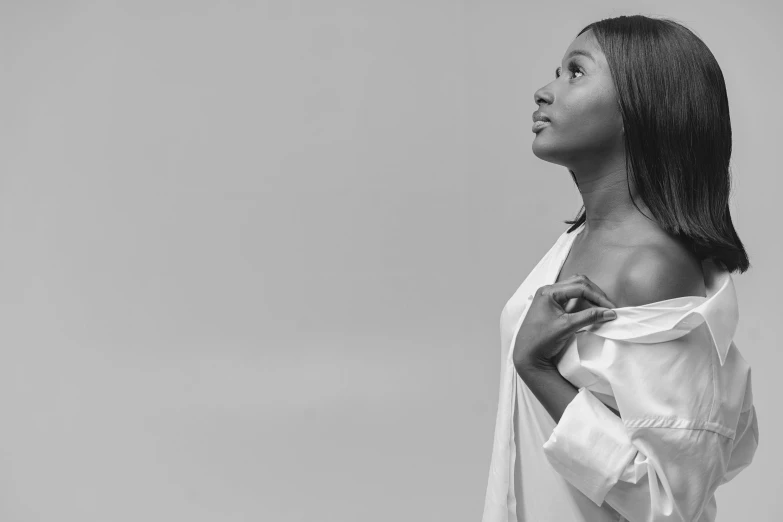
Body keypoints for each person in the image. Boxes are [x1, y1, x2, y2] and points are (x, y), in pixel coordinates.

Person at [481, 15, 759, 522]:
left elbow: (671, 504)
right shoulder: (577, 240)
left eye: (576, 73)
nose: (544, 92)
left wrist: (538, 370)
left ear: (641, 106)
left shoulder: (652, 269)